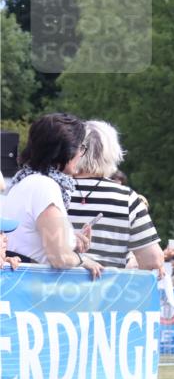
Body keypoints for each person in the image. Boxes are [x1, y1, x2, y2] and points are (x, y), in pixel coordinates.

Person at [3, 113, 102, 278]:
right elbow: (59, 257)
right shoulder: (45, 186)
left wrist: (69, 240)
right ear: (66, 150)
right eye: (81, 147)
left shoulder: (24, 182)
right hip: (34, 291)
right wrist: (82, 259)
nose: (81, 154)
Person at [68, 120, 163, 270]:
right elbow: (153, 261)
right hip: (109, 291)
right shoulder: (127, 199)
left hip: (53, 290)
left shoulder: (54, 191)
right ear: (113, 153)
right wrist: (128, 263)